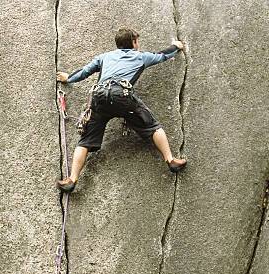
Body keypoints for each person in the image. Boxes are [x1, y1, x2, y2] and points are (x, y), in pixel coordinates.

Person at [56, 26, 187, 193]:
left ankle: (72, 179)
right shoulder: (140, 57)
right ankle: (171, 160)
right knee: (153, 126)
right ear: (133, 42)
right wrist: (176, 46)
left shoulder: (104, 57)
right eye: (137, 40)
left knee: (85, 141)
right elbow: (162, 55)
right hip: (122, 97)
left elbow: (84, 72)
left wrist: (68, 78)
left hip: (100, 97)